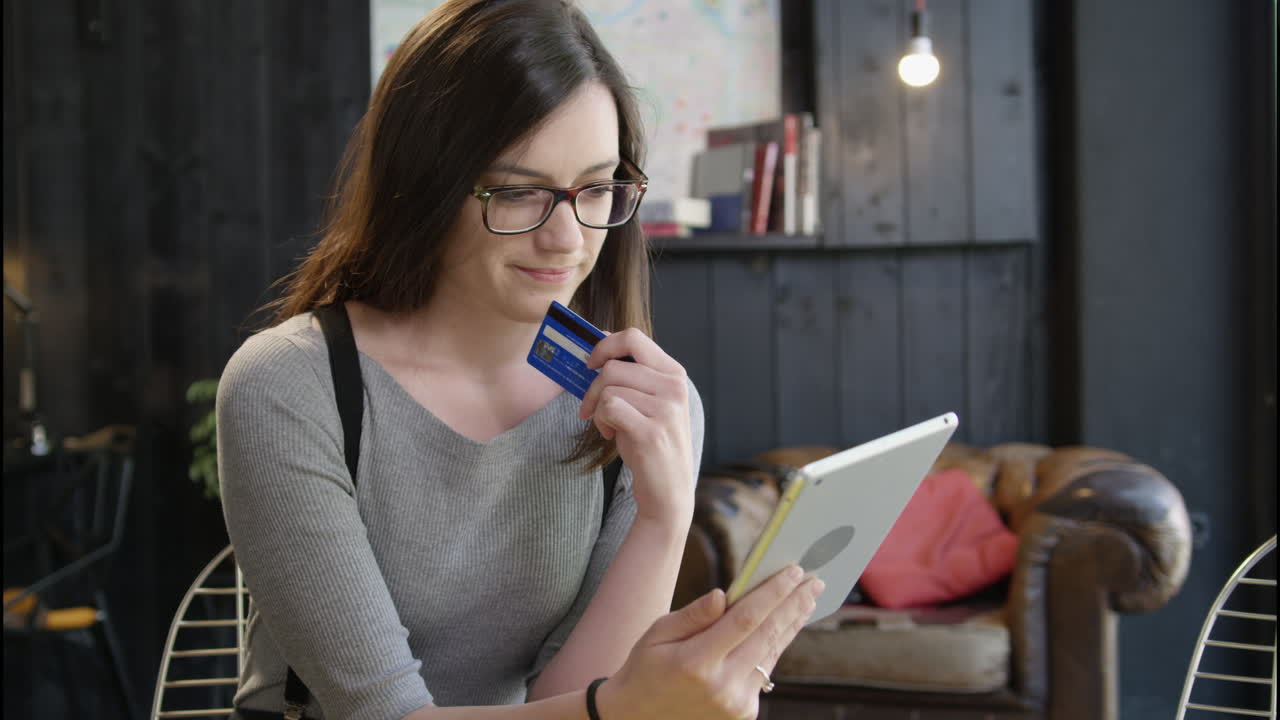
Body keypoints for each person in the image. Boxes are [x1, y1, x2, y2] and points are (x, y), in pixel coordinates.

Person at [216, 1, 824, 718]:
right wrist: (628, 710)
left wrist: (665, 517)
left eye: (596, 188)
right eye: (517, 192)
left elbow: (570, 703)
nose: (567, 239)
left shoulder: (645, 405)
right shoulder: (289, 386)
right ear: (425, 185)